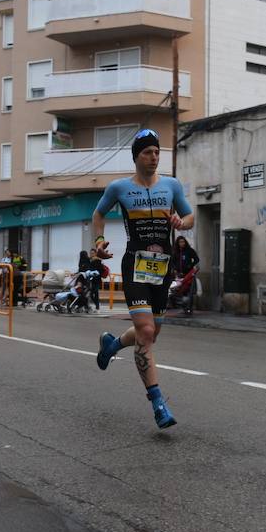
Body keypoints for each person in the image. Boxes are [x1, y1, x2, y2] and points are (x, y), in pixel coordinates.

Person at [92, 128, 194, 429]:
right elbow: (97, 215)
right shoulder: (119, 188)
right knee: (146, 331)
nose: (154, 157)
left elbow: (190, 217)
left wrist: (181, 221)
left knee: (150, 334)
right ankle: (158, 403)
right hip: (134, 266)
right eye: (148, 152)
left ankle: (112, 345)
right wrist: (98, 242)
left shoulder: (172, 186)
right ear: (137, 156)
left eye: (157, 152)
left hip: (162, 269)